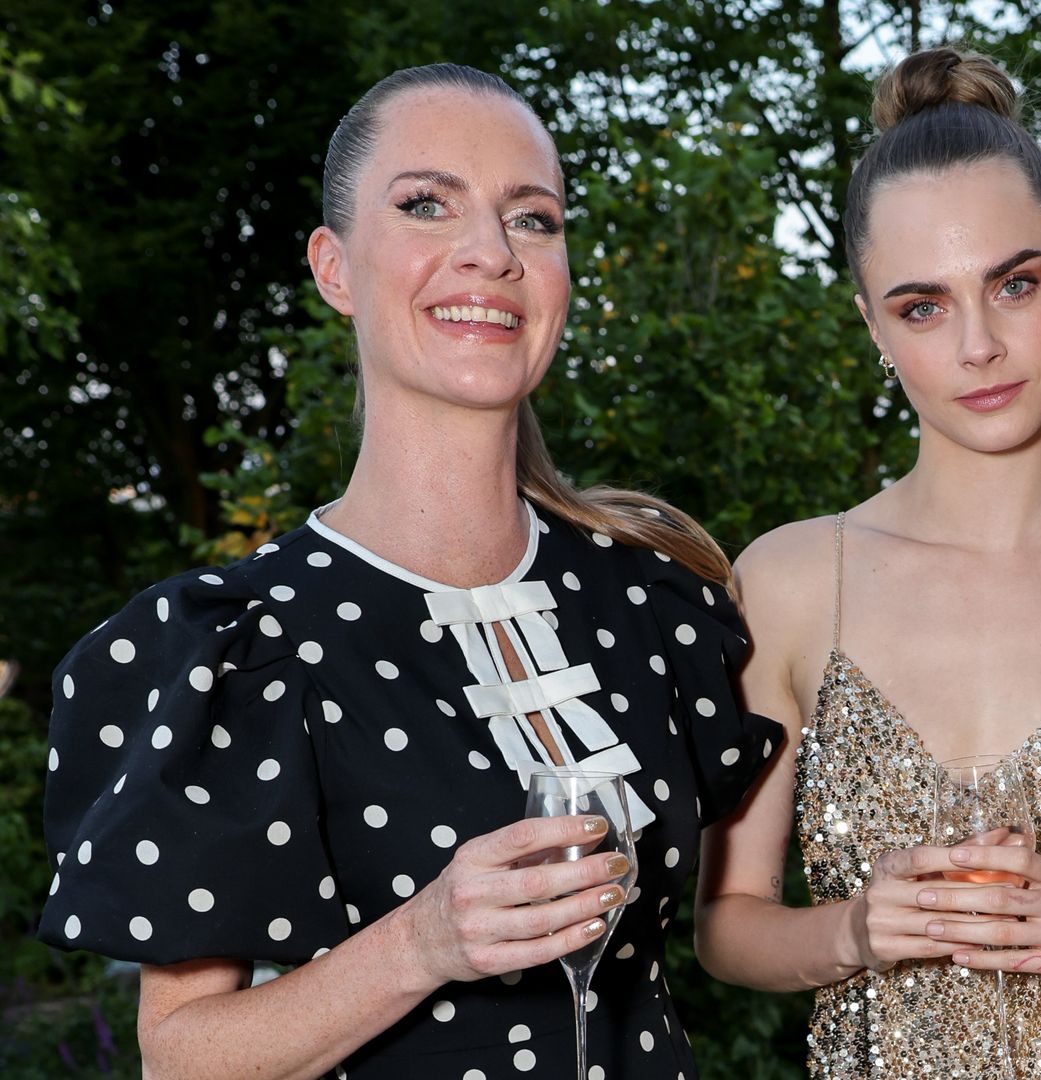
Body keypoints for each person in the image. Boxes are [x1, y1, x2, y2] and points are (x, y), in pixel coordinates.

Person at [36, 63, 779, 1080]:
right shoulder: (245, 639)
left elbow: (736, 925)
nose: (488, 254)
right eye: (427, 205)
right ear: (334, 269)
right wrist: (424, 941)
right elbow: (181, 1059)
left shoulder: (653, 602)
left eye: (534, 220)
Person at [692, 46, 1041, 1079]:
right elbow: (727, 926)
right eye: (922, 306)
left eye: (1015, 283)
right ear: (872, 324)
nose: (979, 345)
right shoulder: (787, 582)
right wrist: (856, 931)